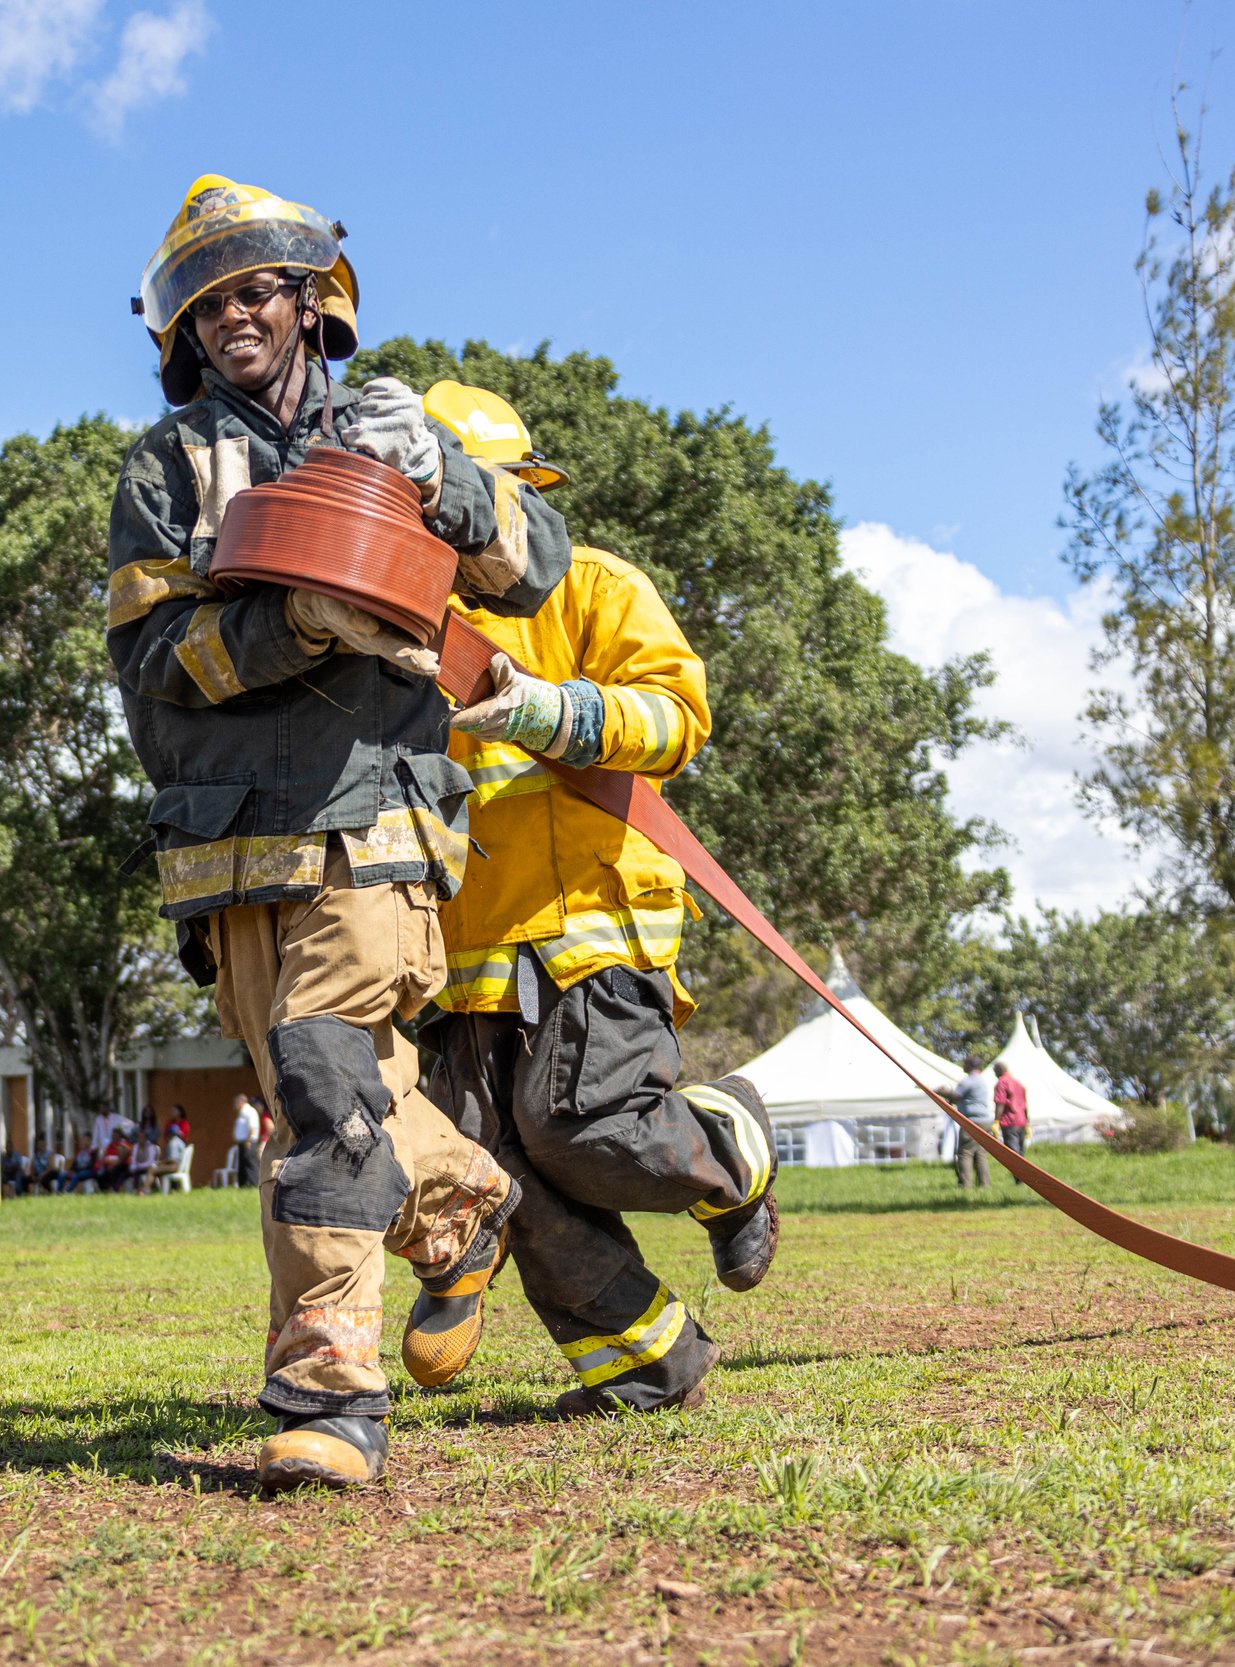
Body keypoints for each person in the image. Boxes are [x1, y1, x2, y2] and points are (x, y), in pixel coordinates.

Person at [107, 176, 572, 1492]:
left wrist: (448, 483)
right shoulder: (163, 468)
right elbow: (154, 661)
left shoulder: (400, 429)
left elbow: (537, 566)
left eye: (256, 289)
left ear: (315, 303)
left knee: (322, 1088)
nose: (232, 317)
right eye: (205, 304)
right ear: (179, 335)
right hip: (227, 846)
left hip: (371, 821)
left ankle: (331, 1388)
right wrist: (298, 623)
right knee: (341, 1093)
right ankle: (458, 1202)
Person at [411, 384, 777, 1419]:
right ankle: (645, 1362)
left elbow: (677, 717)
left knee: (580, 1125)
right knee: (493, 1170)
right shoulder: (392, 622)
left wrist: (547, 708)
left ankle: (726, 1143)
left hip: (590, 925)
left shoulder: (597, 587)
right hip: (464, 951)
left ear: (520, 499)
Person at [947, 1056, 994, 1188]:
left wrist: (941, 1092)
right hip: (985, 1120)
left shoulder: (968, 1081)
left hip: (972, 1121)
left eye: (965, 1063)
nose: (963, 1065)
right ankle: (985, 1184)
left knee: (965, 1152)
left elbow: (956, 1096)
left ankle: (965, 1184)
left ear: (970, 1066)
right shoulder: (982, 1080)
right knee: (980, 1153)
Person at [992, 1060, 1030, 1175]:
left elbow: (1000, 1103)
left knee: (1013, 1154)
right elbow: (1024, 1104)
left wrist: (996, 1121)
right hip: (1022, 1121)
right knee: (1021, 1152)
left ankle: (1021, 1178)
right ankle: (1024, 1177)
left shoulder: (1001, 1083)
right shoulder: (1018, 1083)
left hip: (1010, 1121)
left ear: (998, 1071)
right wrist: (1027, 1122)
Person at [229, 1093, 261, 1189]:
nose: (234, 1105)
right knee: (242, 1164)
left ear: (241, 1102)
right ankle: (243, 1185)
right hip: (242, 1142)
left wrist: (249, 1140)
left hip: (249, 1142)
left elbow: (253, 1126)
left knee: (250, 1163)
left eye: (235, 1102)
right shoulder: (242, 1112)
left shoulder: (249, 1111)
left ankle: (253, 1184)